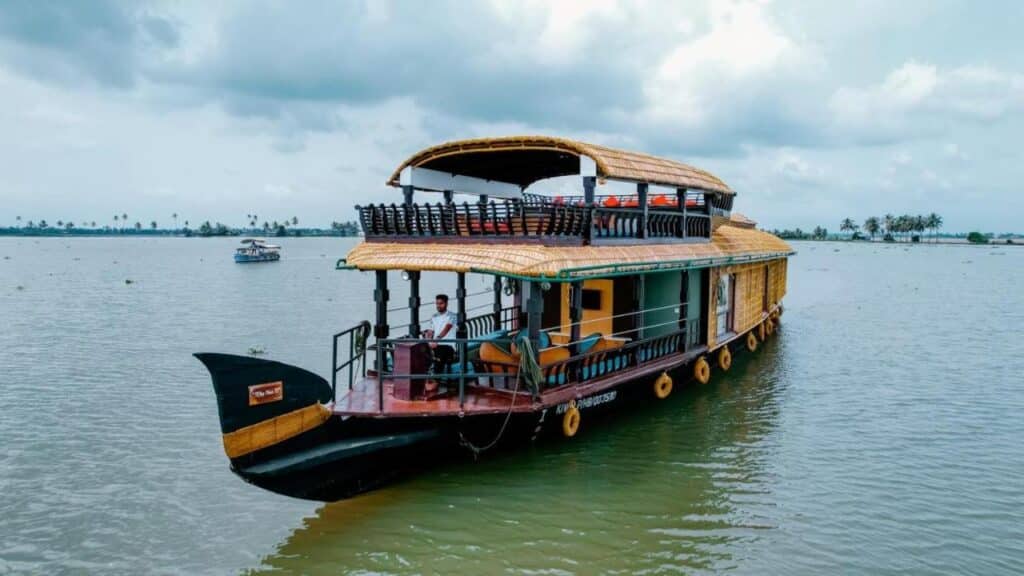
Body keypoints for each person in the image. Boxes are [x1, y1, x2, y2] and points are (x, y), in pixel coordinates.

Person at [423, 293, 456, 375]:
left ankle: (436, 380)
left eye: (441, 303)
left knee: (438, 354)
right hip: (435, 345)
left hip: (448, 346)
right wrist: (428, 339)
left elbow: (447, 329)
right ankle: (422, 379)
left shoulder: (452, 316)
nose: (438, 305)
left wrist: (436, 340)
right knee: (419, 351)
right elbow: (430, 331)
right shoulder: (434, 316)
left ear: (446, 303)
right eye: (437, 303)